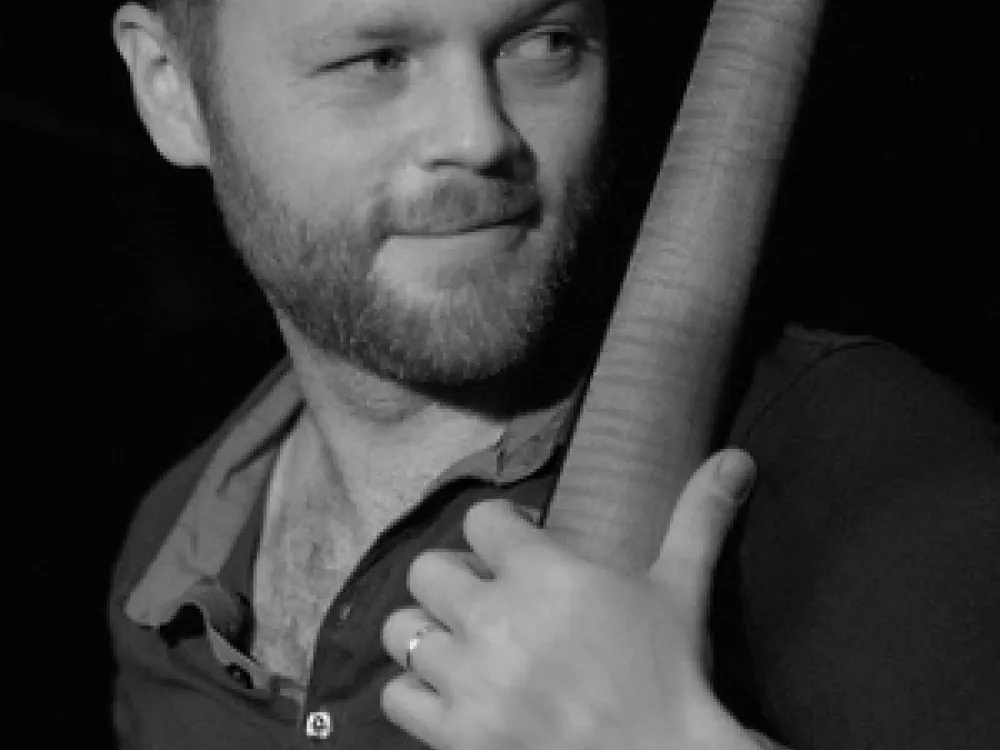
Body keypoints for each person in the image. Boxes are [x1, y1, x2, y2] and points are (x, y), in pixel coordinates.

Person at [108, 0, 999, 748]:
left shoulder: (862, 462)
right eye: (377, 60)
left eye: (545, 43)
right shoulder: (174, 553)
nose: (480, 136)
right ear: (169, 89)